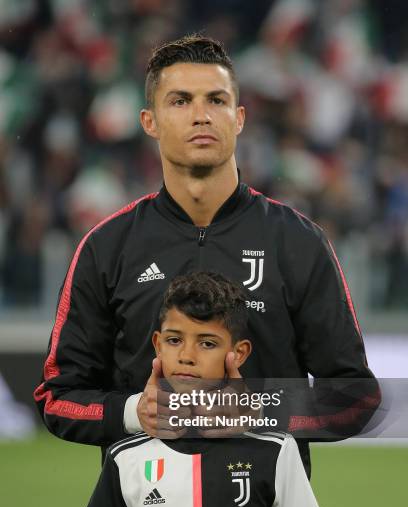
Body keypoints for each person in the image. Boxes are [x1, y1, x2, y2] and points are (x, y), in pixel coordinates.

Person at [34, 34, 379, 475]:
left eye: (215, 100)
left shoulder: (298, 241)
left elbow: (356, 396)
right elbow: (57, 396)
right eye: (180, 101)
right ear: (149, 121)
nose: (201, 115)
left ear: (238, 118)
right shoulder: (106, 247)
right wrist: (135, 412)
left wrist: (257, 412)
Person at [68, 272, 335, 507]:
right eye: (175, 340)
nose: (187, 356)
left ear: (237, 354)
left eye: (207, 343)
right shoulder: (124, 460)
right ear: (157, 345)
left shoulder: (275, 453)